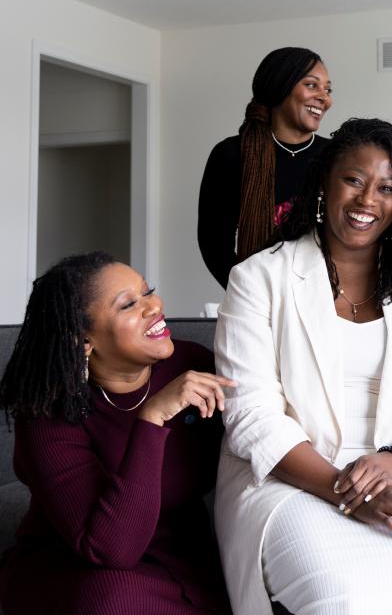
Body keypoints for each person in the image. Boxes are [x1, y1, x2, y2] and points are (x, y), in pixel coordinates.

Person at [214, 118, 392, 614]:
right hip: (292, 474)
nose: (367, 201)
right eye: (354, 180)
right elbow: (251, 417)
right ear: (325, 182)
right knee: (343, 598)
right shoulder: (258, 278)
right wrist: (349, 493)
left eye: (387, 188)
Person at [0, 252, 234, 614]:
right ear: (85, 341)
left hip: (185, 560)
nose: (154, 306)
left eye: (148, 291)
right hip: (82, 569)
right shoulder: (49, 414)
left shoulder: (195, 367)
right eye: (128, 305)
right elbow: (112, 549)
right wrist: (152, 417)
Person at [198, 46, 332, 288]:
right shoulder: (231, 155)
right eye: (312, 85)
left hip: (326, 295)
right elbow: (214, 244)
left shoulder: (336, 156)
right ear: (280, 86)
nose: (325, 98)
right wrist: (247, 293)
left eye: (328, 89)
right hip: (257, 294)